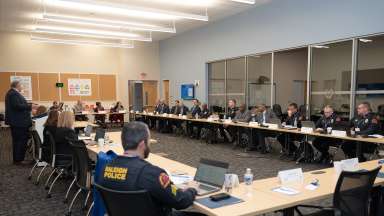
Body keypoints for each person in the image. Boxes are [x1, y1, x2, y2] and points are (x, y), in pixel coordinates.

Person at [97, 122, 203, 216]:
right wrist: (192, 189)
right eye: (148, 141)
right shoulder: (152, 174)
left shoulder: (106, 168)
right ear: (142, 144)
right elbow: (181, 201)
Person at [5, 80, 38, 165]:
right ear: (17, 86)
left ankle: (18, 159)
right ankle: (19, 160)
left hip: (19, 122)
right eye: (21, 85)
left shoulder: (13, 93)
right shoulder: (13, 94)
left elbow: (20, 104)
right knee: (20, 141)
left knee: (19, 141)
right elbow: (17, 106)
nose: (21, 87)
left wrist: (30, 104)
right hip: (19, 122)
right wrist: (31, 106)